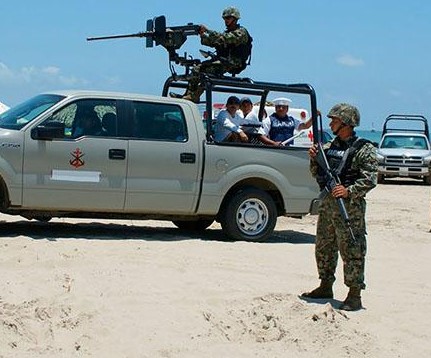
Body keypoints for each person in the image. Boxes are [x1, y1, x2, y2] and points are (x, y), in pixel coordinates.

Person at [301, 103, 378, 311]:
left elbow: (370, 179)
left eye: (334, 120)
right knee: (324, 246)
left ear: (346, 123)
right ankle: (325, 285)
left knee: (352, 248)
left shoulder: (364, 149)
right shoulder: (328, 148)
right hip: (328, 207)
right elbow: (318, 174)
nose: (330, 123)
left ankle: (354, 294)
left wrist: (349, 191)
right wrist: (314, 159)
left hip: (349, 209)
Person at [173, 7, 252, 103]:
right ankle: (188, 95)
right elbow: (214, 42)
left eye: (228, 18)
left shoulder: (241, 32)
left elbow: (225, 38)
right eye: (224, 19)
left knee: (205, 73)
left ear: (235, 19)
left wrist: (208, 30)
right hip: (224, 61)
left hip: (233, 63)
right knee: (196, 68)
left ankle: (194, 96)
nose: (225, 21)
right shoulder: (227, 33)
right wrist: (202, 35)